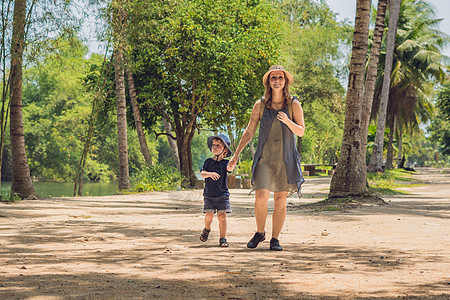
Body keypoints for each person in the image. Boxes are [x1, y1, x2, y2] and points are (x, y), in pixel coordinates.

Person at [227, 65, 305, 251]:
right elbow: (249, 131)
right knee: (261, 197)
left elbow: (301, 131)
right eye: (273, 78)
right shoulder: (260, 105)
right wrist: (236, 155)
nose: (277, 80)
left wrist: (287, 121)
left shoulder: (294, 104)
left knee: (280, 200)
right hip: (264, 160)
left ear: (285, 81)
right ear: (268, 82)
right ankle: (260, 232)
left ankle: (275, 239)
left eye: (280, 77)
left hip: (286, 160)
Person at [199, 133, 232, 247]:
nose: (215, 147)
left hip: (222, 194)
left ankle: (222, 238)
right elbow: (202, 173)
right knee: (209, 215)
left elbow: (230, 168)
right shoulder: (208, 162)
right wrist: (209, 174)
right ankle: (207, 229)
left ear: (225, 150)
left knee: (222, 216)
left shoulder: (226, 163)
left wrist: (231, 165)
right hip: (209, 194)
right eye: (213, 145)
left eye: (218, 145)